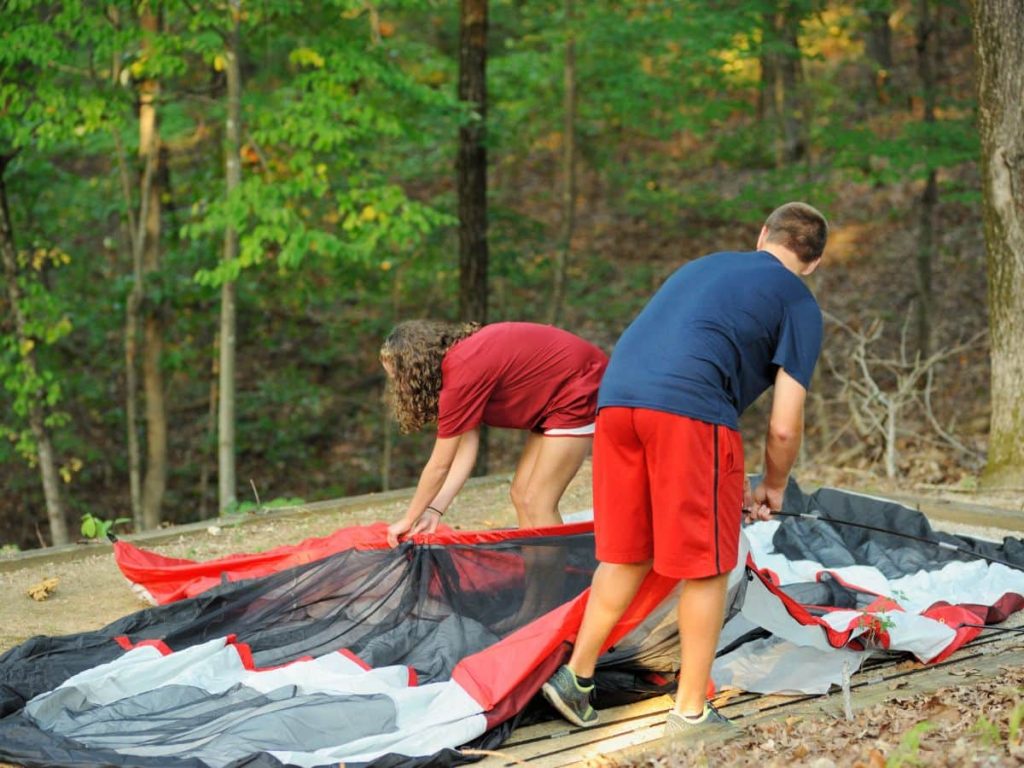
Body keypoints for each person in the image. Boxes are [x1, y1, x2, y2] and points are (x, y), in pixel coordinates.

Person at [540, 201, 829, 738]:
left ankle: (575, 679)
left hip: (616, 403)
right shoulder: (800, 303)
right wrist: (773, 485)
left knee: (627, 552)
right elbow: (785, 425)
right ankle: (691, 712)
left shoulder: (702, 266)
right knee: (709, 566)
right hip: (690, 414)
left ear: (762, 234)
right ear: (813, 263)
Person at [381, 320, 608, 547]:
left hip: (581, 385)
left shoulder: (461, 374)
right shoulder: (461, 364)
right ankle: (537, 579)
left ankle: (555, 581)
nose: (399, 387)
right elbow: (465, 450)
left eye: (399, 378)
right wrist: (434, 510)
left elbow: (440, 465)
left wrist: (408, 519)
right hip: (555, 398)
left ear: (416, 371)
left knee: (538, 500)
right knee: (520, 494)